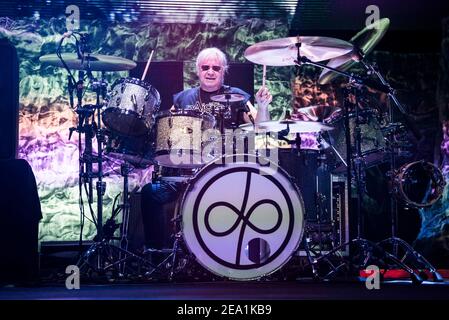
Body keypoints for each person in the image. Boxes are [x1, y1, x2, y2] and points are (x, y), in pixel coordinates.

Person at [140, 47, 272, 252]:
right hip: (183, 174)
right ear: (198, 70)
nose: (210, 71)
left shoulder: (236, 96)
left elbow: (261, 127)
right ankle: (157, 255)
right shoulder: (183, 98)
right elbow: (166, 133)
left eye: (216, 68)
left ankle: (224, 253)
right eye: (205, 67)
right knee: (150, 193)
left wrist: (263, 107)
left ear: (223, 70)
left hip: (222, 174)